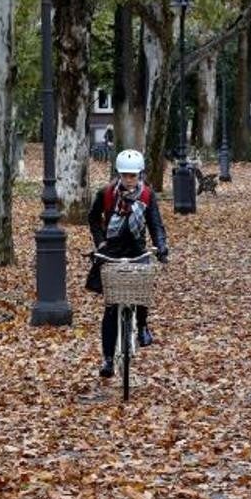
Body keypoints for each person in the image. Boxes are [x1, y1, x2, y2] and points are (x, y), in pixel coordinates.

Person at [86, 149, 169, 378]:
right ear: (118, 174)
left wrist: (161, 247)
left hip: (137, 249)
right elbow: (93, 219)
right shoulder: (105, 194)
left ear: (140, 175)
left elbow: (156, 224)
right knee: (111, 306)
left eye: (133, 175)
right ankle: (109, 359)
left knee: (141, 287)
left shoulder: (147, 196)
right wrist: (100, 243)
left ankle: (142, 326)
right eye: (125, 175)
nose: (129, 180)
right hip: (112, 249)